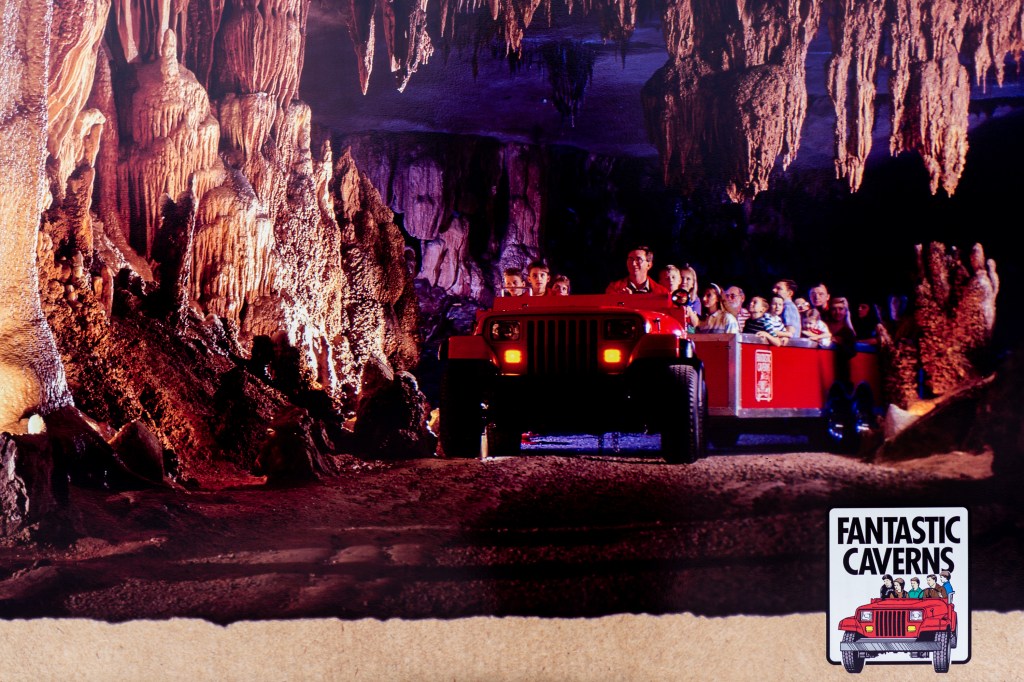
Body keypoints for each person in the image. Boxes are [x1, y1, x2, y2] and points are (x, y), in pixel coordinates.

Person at [606, 246, 670, 295]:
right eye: (630, 259)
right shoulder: (615, 288)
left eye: (638, 259)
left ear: (649, 265)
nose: (633, 264)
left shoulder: (661, 292)